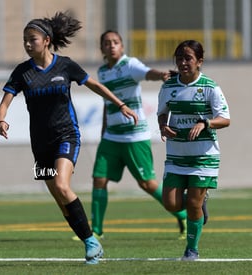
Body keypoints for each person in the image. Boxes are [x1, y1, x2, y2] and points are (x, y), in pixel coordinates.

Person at [0, 11, 138, 264]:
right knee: (60, 201)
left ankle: (92, 242)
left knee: (62, 186)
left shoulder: (65, 65)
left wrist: (120, 104)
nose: (28, 44)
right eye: (25, 40)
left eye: (33, 39)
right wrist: (0, 120)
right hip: (40, 145)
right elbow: (4, 102)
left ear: (47, 40)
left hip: (67, 135)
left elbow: (94, 85)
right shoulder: (22, 72)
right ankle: (89, 243)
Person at [80, 30, 187, 241]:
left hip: (134, 136)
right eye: (107, 43)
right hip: (111, 137)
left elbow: (148, 72)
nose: (112, 45)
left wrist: (163, 75)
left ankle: (182, 214)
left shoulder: (129, 65)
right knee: (99, 180)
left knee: (147, 183)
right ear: (101, 48)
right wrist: (104, 130)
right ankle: (96, 231)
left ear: (122, 46)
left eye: (116, 42)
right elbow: (106, 104)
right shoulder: (102, 72)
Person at [157, 40, 230, 260]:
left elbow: (225, 119)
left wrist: (205, 123)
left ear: (199, 61)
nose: (183, 62)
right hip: (176, 154)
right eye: (179, 58)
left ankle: (192, 249)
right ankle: (199, 202)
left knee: (193, 205)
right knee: (170, 203)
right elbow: (162, 113)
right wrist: (163, 126)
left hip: (203, 156)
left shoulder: (210, 87)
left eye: (188, 58)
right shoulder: (169, 87)